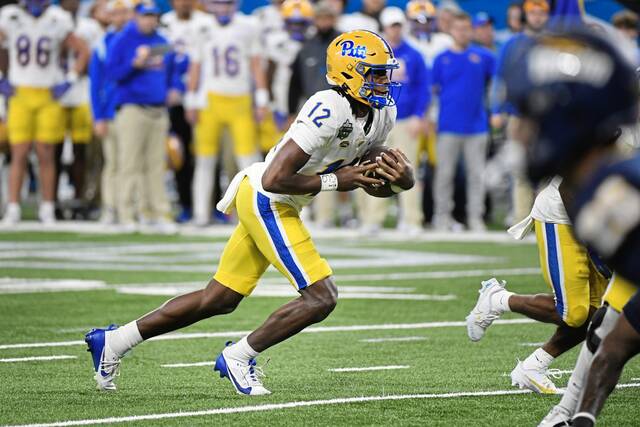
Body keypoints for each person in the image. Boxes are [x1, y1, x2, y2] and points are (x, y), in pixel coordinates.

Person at [85, 29, 414, 395]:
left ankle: (114, 341)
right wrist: (338, 181)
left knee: (219, 298)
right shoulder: (330, 106)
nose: (386, 81)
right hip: (266, 196)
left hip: (280, 198)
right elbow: (276, 178)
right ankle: (239, 357)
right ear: (349, 72)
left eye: (386, 72)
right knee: (322, 297)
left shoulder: (383, 113)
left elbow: (374, 179)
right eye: (376, 73)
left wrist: (404, 181)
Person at [498, 27, 640, 427]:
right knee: (609, 327)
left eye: (528, 113)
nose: (519, 130)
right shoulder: (596, 193)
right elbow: (619, 341)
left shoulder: (616, 198)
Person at [466, 181, 612, 394]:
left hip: (598, 218)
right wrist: (595, 236)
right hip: (563, 214)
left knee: (603, 310)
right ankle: (497, 299)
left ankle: (534, 366)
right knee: (573, 313)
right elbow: (567, 186)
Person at [0, 0, 89, 225]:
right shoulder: (10, 16)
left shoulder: (58, 18)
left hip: (48, 93)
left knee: (46, 153)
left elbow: (83, 51)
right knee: (18, 152)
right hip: (20, 92)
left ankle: (47, 206)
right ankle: (13, 207)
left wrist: (69, 80)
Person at [185, 0, 267, 227]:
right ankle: (201, 213)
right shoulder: (200, 26)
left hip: (241, 100)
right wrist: (190, 100)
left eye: (227, 3)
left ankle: (250, 214)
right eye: (218, 3)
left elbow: (256, 65)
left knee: (249, 162)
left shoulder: (249, 25)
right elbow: (195, 65)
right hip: (210, 101)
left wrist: (261, 99)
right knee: (204, 160)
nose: (222, 8)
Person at [106, 0, 179, 232]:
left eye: (153, 15)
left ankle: (156, 212)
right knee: (130, 164)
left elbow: (171, 73)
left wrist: (174, 88)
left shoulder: (161, 41)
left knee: (156, 165)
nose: (150, 20)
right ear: (136, 17)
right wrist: (133, 64)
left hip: (158, 110)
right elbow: (111, 73)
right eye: (145, 15)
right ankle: (126, 213)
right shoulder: (123, 40)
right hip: (132, 109)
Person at [362, 6, 429, 233]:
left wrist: (419, 116)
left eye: (399, 25)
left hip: (405, 118)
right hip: (379, 117)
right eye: (392, 26)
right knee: (374, 166)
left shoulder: (414, 54)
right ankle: (372, 219)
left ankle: (411, 219)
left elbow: (423, 88)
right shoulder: (374, 55)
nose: (395, 30)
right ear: (384, 27)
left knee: (408, 169)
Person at [431, 11, 495, 231]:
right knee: (445, 175)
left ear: (471, 30)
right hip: (448, 125)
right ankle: (442, 217)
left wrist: (495, 110)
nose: (462, 33)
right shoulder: (441, 59)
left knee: (476, 175)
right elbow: (433, 91)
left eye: (466, 29)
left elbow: (497, 84)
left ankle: (475, 217)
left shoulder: (484, 57)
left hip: (477, 126)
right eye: (458, 29)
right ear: (451, 30)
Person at [491, 0, 549, 225]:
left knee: (549, 170)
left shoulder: (551, 41)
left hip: (546, 114)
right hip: (519, 114)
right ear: (525, 16)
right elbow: (499, 78)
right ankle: (521, 218)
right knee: (519, 169)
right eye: (532, 13)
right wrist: (497, 109)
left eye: (540, 13)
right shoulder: (512, 44)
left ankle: (547, 220)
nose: (536, 17)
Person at [288, 0, 341, 228]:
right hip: (315, 117)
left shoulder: (341, 46)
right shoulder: (306, 48)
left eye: (328, 18)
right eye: (320, 18)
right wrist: (291, 112)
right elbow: (295, 85)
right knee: (313, 165)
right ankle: (319, 215)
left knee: (344, 162)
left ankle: (345, 213)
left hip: (342, 111)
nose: (324, 22)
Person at [159, 0, 210, 223]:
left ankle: (212, 206)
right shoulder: (164, 24)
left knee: (206, 154)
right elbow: (162, 60)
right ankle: (186, 204)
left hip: (204, 99)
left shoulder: (206, 23)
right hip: (176, 101)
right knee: (180, 155)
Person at [58, 0, 103, 218]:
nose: (72, 3)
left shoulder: (89, 27)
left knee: (82, 150)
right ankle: (56, 200)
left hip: (82, 90)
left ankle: (80, 198)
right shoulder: (52, 21)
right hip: (54, 91)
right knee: (53, 150)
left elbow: (94, 60)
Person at [89, 0, 131, 225]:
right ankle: (110, 208)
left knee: (131, 165)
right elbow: (95, 84)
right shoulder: (102, 44)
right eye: (117, 14)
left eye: (125, 13)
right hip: (111, 111)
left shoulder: (139, 40)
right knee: (113, 164)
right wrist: (98, 115)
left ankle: (128, 209)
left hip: (132, 110)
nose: (121, 18)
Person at [262, 0, 313, 154]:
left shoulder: (314, 42)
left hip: (305, 104)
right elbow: (269, 76)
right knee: (274, 150)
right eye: (292, 23)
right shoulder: (276, 42)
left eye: (300, 24)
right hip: (281, 102)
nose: (296, 28)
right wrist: (272, 106)